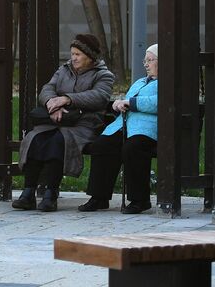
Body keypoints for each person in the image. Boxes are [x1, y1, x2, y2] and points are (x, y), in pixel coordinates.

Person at [12, 33, 114, 212]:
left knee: (59, 141)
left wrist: (67, 99)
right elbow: (47, 89)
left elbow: (99, 97)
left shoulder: (103, 75)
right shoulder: (63, 70)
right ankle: (28, 193)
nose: (73, 58)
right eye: (72, 53)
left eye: (78, 54)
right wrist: (53, 104)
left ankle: (51, 194)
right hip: (56, 119)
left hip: (83, 124)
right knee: (35, 138)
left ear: (89, 56)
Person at [79, 44, 159, 214]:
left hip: (149, 129)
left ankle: (140, 200)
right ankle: (98, 197)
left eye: (150, 60)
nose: (146, 64)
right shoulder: (140, 82)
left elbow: (159, 102)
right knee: (102, 144)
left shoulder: (168, 82)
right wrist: (117, 104)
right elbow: (127, 99)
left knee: (132, 148)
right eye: (145, 60)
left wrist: (131, 103)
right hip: (125, 124)